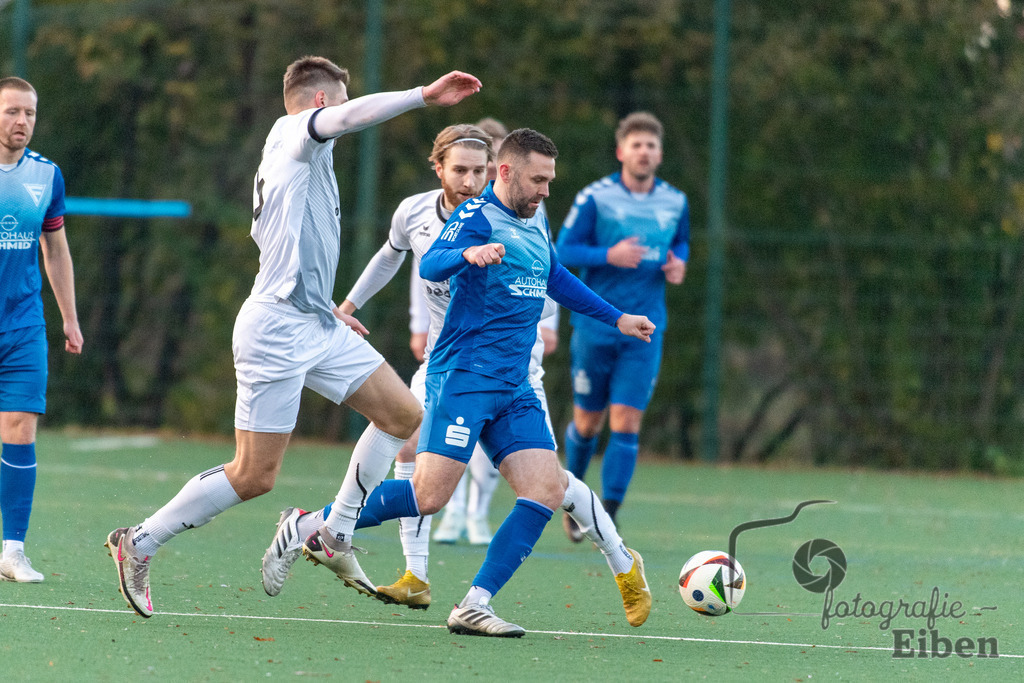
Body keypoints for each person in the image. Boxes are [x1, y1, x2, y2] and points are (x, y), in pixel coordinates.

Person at [104, 56, 480, 618]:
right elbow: (348, 118)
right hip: (276, 329)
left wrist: (327, 304)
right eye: (341, 102)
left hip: (315, 321)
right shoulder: (296, 131)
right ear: (322, 103)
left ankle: (333, 532)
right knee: (254, 475)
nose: (345, 114)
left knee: (403, 416)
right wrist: (422, 94)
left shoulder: (297, 157)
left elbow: (285, 246)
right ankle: (140, 540)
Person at [301, 128, 655, 638]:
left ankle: (474, 604)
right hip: (464, 377)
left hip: (515, 385)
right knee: (428, 496)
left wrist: (617, 317)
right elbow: (432, 262)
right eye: (538, 180)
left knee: (545, 490)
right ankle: (316, 524)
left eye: (550, 181)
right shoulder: (476, 216)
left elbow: (555, 276)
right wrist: (468, 255)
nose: (546, 190)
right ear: (505, 172)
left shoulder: (533, 219)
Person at [260, 122, 496, 608]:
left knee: (547, 486)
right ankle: (414, 575)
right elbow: (390, 258)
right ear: (438, 168)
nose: (470, 181)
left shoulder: (505, 219)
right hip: (445, 360)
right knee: (408, 444)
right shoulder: (414, 211)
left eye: (479, 171)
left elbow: (546, 281)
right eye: (460, 170)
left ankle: (311, 526)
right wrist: (348, 306)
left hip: (501, 367)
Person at [556, 112, 689, 541]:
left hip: (646, 327)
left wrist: (679, 263)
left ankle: (606, 515)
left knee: (627, 422)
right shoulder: (595, 198)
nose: (644, 152)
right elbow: (562, 251)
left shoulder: (676, 201)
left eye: (651, 145)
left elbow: (681, 241)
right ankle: (573, 500)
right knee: (587, 424)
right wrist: (607, 256)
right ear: (621, 152)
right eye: (637, 145)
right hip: (596, 325)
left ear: (660, 154)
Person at [0, 77, 83, 583]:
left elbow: (55, 249)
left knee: (20, 427)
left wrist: (69, 317)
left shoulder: (46, 175)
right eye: (12, 111)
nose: (22, 121)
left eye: (29, 113)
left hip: (24, 326)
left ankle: (12, 551)